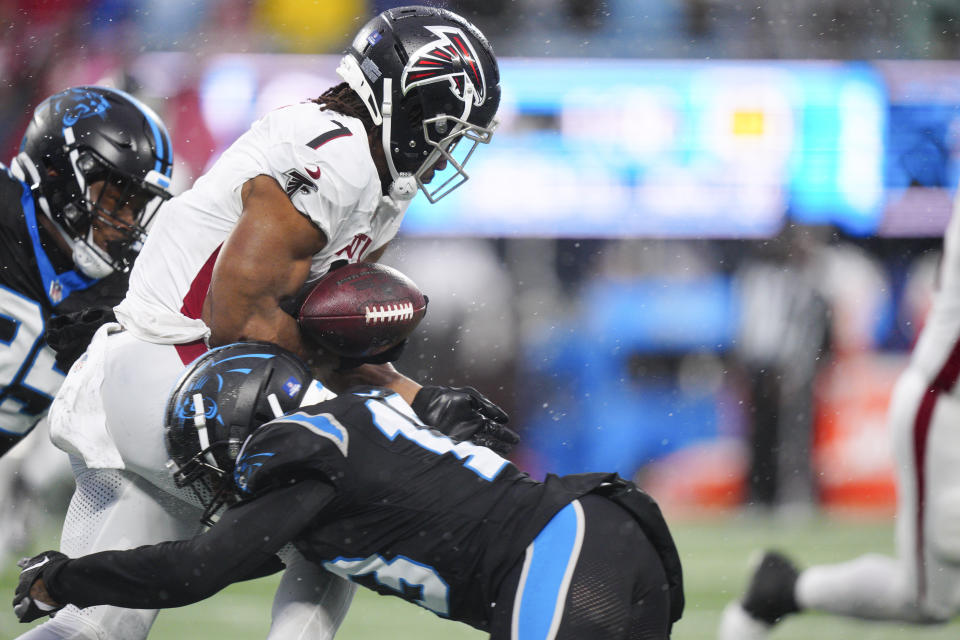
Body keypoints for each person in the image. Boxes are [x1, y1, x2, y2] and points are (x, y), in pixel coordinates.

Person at [26, 6, 515, 640]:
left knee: (95, 628)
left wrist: (419, 399)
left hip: (166, 376)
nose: (446, 150)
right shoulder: (336, 157)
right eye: (446, 127)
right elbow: (239, 317)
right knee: (350, 472)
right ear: (403, 98)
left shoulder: (372, 181)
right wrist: (388, 409)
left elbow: (321, 340)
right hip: (176, 367)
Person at [12, 342, 685, 639]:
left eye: (212, 455)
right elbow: (233, 556)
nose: (218, 478)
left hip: (559, 550)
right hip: (604, 537)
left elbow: (195, 569)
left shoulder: (305, 451)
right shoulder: (346, 432)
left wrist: (67, 577)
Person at [718, 191, 960, 638]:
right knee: (929, 595)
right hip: (946, 406)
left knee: (926, 601)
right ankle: (781, 582)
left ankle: (784, 588)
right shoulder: (773, 276)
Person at [0, 85, 173, 559]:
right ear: (57, 174)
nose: (125, 222)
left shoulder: (125, 290)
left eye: (136, 207)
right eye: (115, 198)